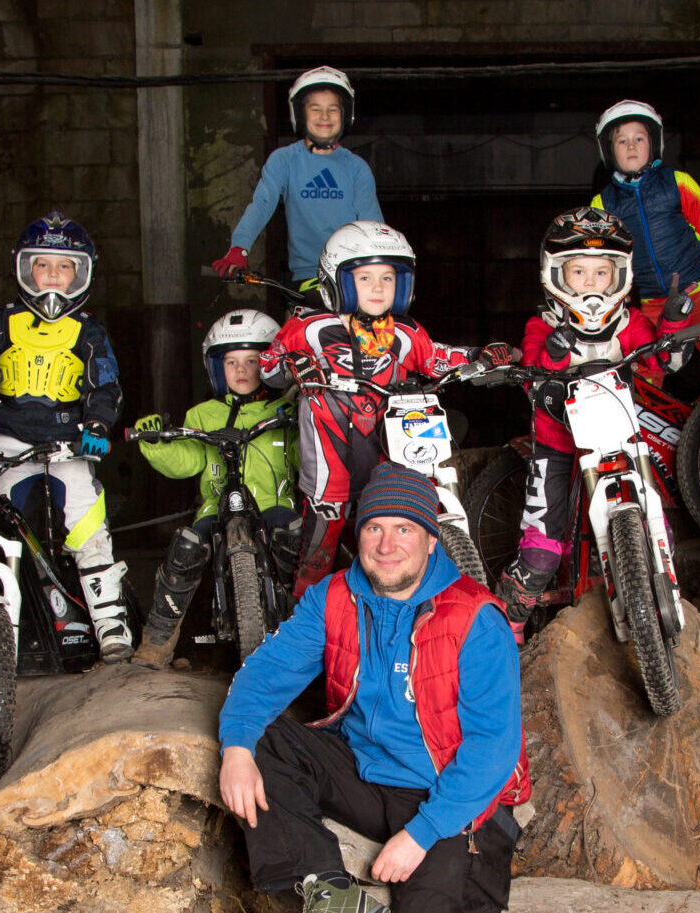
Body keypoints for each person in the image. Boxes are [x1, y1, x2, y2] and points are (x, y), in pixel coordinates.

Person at [217, 463, 526, 913]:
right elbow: (267, 671)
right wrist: (236, 750)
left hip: (447, 792)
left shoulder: (475, 618)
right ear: (358, 535)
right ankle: (329, 890)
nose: (386, 546)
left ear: (431, 540)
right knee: (261, 740)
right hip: (363, 772)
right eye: (374, 528)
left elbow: (493, 748)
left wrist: (420, 835)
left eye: (404, 529)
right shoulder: (334, 596)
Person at [259, 220, 518, 595]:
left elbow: (436, 359)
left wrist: (481, 355)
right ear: (337, 280)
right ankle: (304, 608)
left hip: (389, 445)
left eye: (388, 278)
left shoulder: (404, 332)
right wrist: (293, 365)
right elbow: (268, 367)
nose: (378, 288)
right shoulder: (308, 327)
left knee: (394, 520)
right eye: (365, 278)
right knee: (322, 542)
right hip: (330, 453)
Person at [495, 207, 697, 629]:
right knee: (540, 552)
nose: (590, 283)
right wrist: (554, 351)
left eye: (601, 272)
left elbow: (665, 360)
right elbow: (532, 374)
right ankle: (509, 624)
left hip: (621, 439)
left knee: (658, 519)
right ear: (555, 274)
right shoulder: (542, 324)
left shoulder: (630, 322)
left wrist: (675, 322)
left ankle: (659, 599)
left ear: (620, 275)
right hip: (558, 444)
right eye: (579, 272)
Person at [0, 212, 136, 662]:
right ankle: (5, 630)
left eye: (64, 266)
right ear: (25, 269)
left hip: (68, 442)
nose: (53, 275)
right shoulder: (0, 324)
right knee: (2, 530)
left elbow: (106, 386)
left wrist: (97, 428)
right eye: (42, 265)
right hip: (10, 441)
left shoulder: (89, 330)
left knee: (87, 522)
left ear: (81, 273)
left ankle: (109, 623)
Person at [130, 308, 303, 664]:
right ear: (216, 367)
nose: (242, 370)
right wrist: (155, 442)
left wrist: (312, 420)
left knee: (294, 538)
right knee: (187, 547)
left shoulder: (286, 410)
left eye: (253, 361)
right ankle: (159, 637)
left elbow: (308, 458)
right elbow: (187, 460)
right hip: (217, 506)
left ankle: (306, 626)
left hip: (272, 503)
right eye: (231, 362)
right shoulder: (203, 415)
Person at [588, 100, 700, 386]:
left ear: (653, 144)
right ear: (609, 150)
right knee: (646, 370)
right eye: (622, 141)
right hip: (652, 300)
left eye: (639, 138)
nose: (631, 146)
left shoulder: (678, 182)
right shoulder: (602, 203)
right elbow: (602, 263)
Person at [214, 67, 385, 284]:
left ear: (345, 115)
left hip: (351, 277)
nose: (324, 116)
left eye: (332, 109)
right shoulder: (284, 160)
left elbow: (373, 225)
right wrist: (239, 247)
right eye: (315, 109)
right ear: (300, 114)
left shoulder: (357, 168)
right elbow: (261, 204)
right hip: (306, 278)